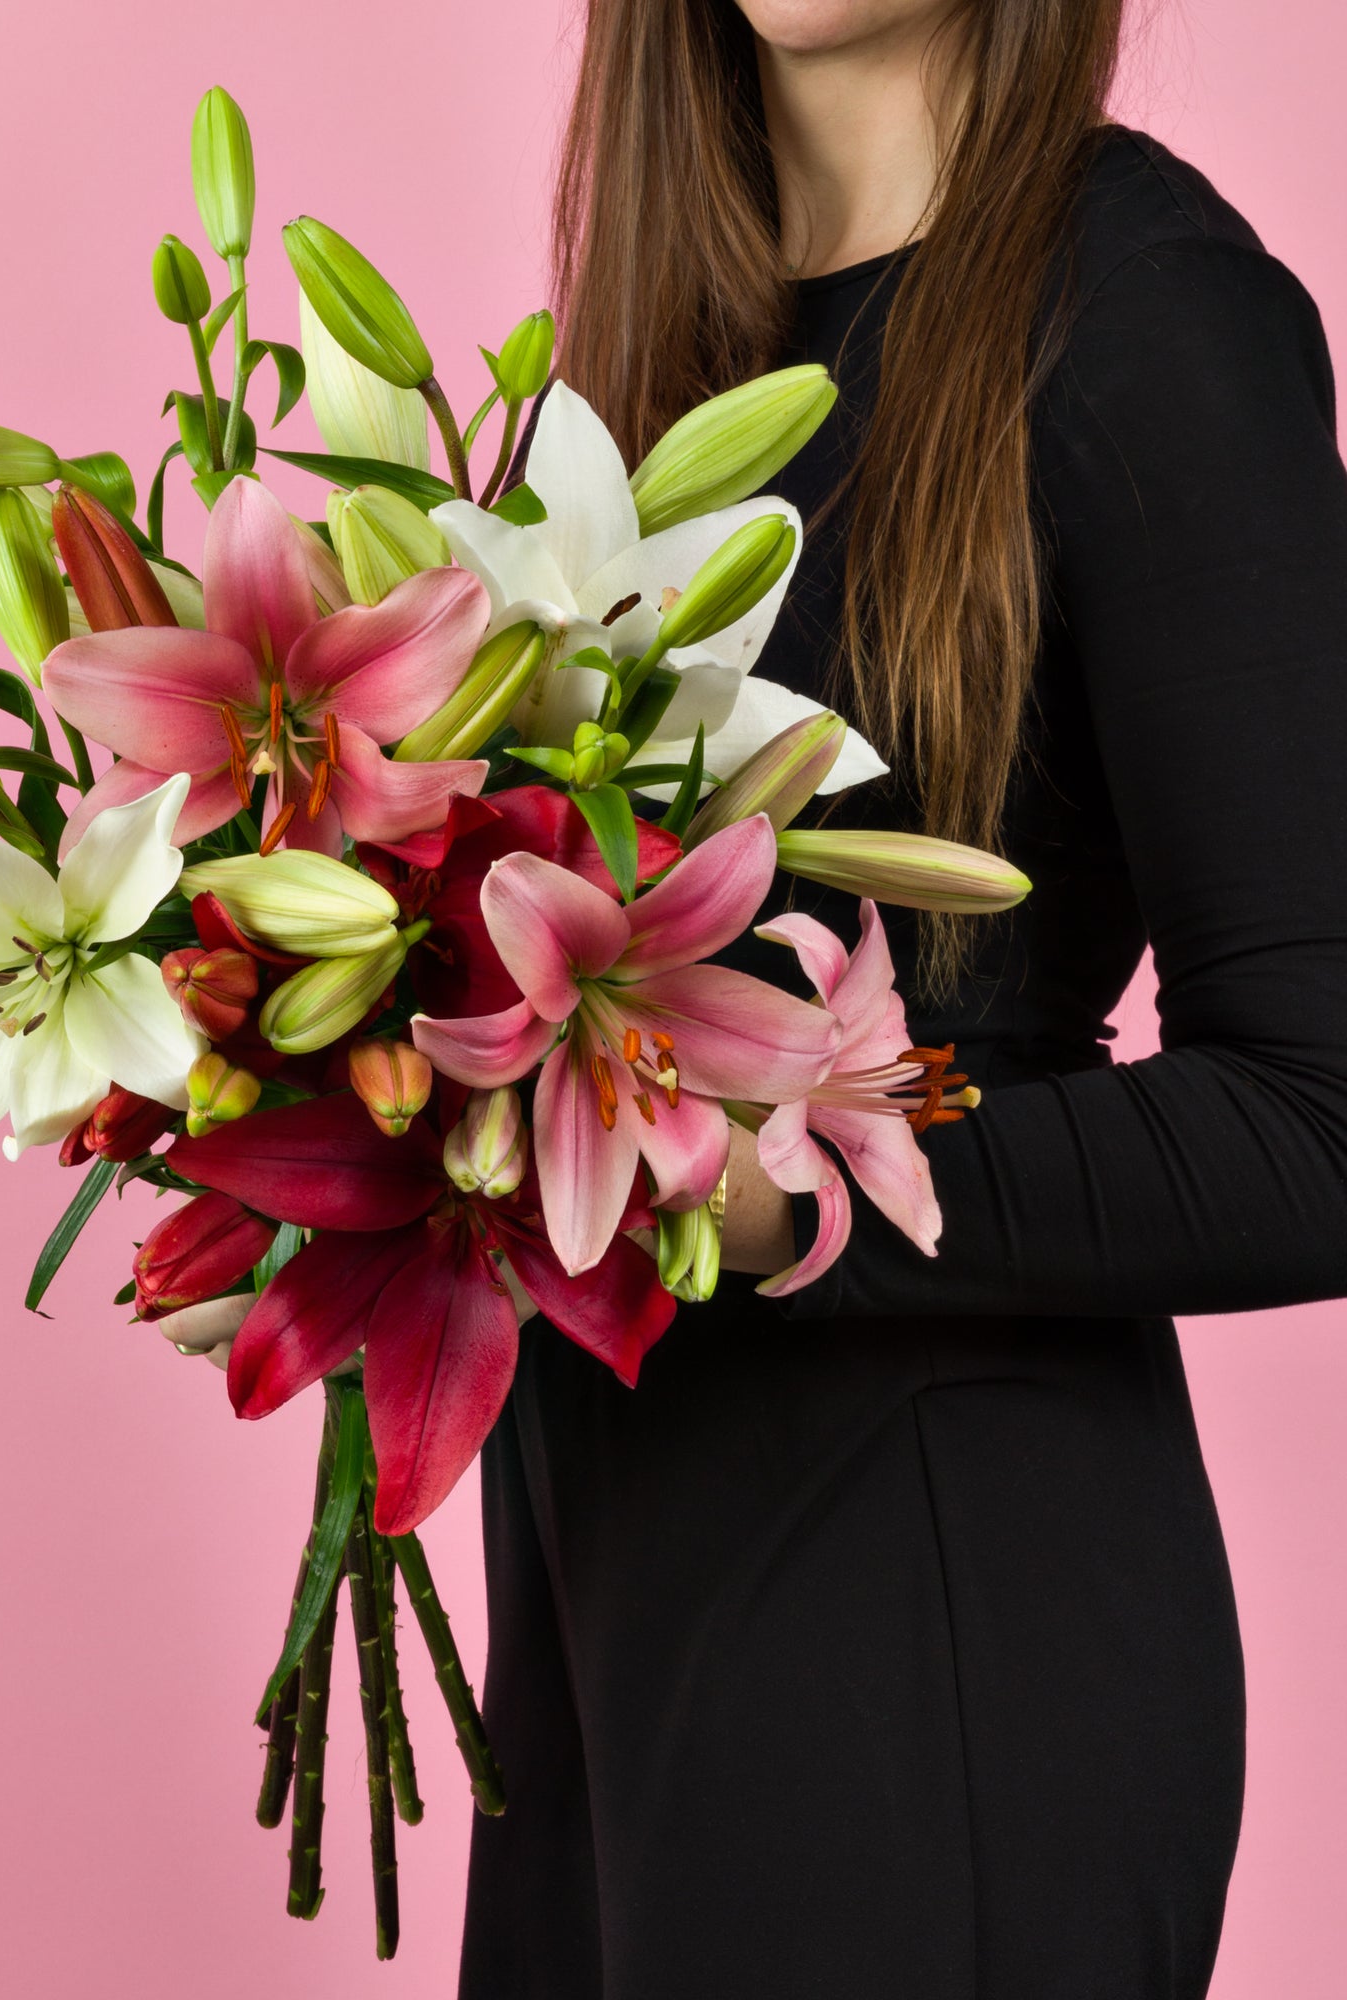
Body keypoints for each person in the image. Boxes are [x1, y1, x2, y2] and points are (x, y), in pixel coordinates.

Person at [165, 2, 1347, 1991]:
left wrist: (793, 1191)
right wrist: (314, 1163)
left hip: (934, 1627)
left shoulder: (1151, 318)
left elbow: (1320, 1115)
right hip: (613, 1614)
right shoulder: (653, 371)